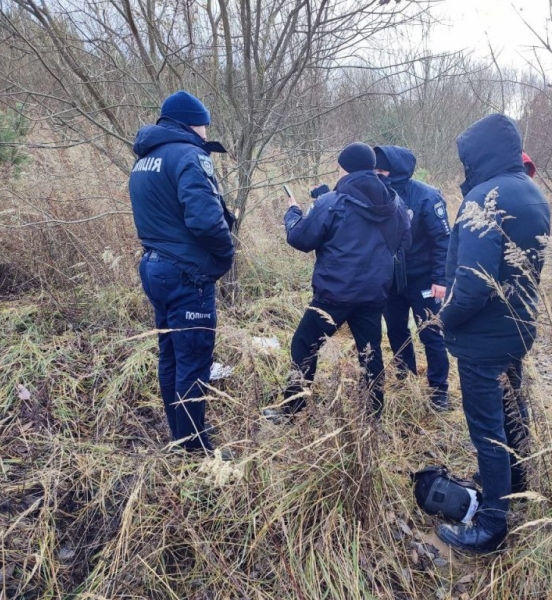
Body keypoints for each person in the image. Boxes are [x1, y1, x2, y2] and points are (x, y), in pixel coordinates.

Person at [436, 114, 550, 554]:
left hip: (483, 337)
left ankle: (491, 526)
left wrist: (441, 319)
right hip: (517, 326)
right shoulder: (532, 191)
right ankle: (516, 480)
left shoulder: (485, 198)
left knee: (487, 428)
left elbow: (475, 283)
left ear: (479, 154)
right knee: (511, 409)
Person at [263, 143, 411, 422]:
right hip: (374, 293)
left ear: (343, 167)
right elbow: (406, 240)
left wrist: (293, 213)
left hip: (335, 294)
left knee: (304, 345)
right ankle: (374, 416)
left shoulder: (332, 202)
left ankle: (293, 410)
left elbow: (300, 239)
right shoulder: (395, 203)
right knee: (370, 352)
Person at [129, 91, 235, 454]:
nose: (207, 133)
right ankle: (195, 448)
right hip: (186, 274)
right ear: (194, 123)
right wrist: (226, 253)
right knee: (193, 360)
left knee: (171, 355)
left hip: (154, 267)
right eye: (205, 125)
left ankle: (180, 437)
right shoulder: (188, 155)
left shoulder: (146, 159)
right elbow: (205, 220)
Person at [373, 146, 451, 411]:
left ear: (395, 171)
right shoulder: (375, 195)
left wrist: (440, 279)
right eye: (375, 170)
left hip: (424, 279)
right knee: (395, 330)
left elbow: (443, 240)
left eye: (382, 171)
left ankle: (439, 390)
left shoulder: (427, 197)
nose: (377, 175)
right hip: (391, 279)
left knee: (431, 332)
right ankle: (404, 376)